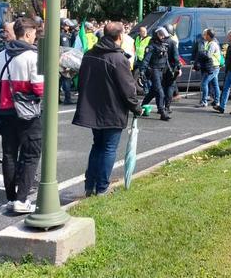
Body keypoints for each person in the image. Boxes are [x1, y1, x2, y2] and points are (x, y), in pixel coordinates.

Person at [0, 18, 44, 213]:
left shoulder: (0, 56)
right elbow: (40, 88)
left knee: (9, 154)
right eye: (34, 33)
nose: (35, 37)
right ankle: (22, 199)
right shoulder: (34, 57)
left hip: (4, 111)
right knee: (31, 154)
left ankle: (10, 198)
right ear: (27, 34)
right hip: (27, 113)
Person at [73, 22, 140, 197]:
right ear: (120, 37)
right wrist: (136, 107)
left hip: (93, 108)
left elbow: (81, 82)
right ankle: (102, 187)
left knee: (97, 146)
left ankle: (90, 185)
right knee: (109, 148)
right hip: (112, 109)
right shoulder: (118, 59)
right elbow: (128, 89)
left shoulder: (89, 55)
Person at [140, 28, 174, 121]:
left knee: (153, 91)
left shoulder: (164, 45)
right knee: (160, 91)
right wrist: (142, 70)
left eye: (163, 35)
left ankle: (142, 106)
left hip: (161, 71)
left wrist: (170, 70)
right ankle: (162, 112)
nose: (162, 36)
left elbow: (166, 60)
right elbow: (146, 60)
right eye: (160, 34)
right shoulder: (151, 47)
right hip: (154, 70)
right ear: (156, 35)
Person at [197, 29, 221, 108]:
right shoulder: (210, 43)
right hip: (214, 66)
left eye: (206, 34)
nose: (204, 36)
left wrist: (201, 53)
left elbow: (208, 55)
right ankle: (217, 101)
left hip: (212, 67)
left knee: (204, 83)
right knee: (215, 84)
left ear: (209, 36)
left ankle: (204, 102)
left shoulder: (212, 44)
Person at [59, 19, 75, 105]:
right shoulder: (63, 36)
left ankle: (57, 98)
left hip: (58, 59)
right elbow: (66, 49)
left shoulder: (59, 34)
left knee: (60, 80)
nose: (68, 27)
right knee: (66, 78)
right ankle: (67, 98)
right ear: (62, 25)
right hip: (63, 59)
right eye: (66, 25)